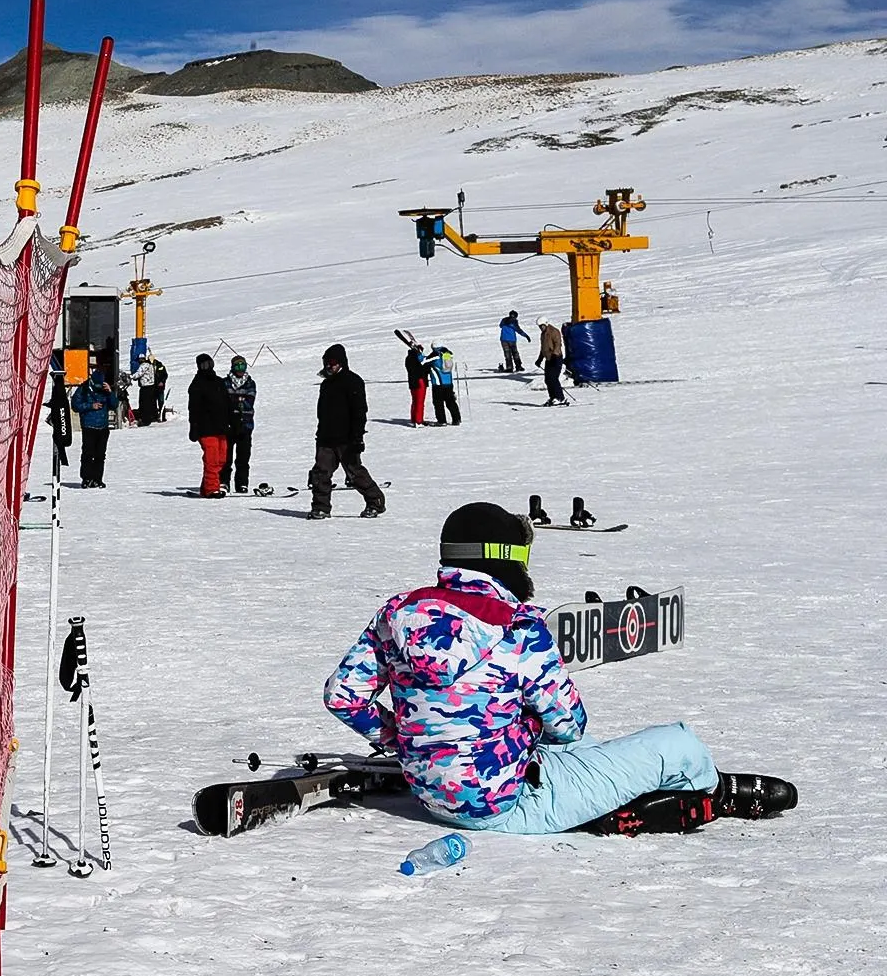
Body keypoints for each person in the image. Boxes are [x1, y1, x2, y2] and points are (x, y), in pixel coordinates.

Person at [324, 501, 796, 835]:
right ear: (503, 558)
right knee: (678, 746)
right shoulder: (516, 627)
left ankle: (610, 796)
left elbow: (343, 696)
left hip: (432, 797)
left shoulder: (397, 612)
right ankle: (714, 791)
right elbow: (568, 725)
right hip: (507, 804)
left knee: (588, 751)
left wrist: (408, 740)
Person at [307, 343, 385, 519]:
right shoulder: (326, 384)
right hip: (326, 438)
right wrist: (320, 433)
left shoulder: (353, 381)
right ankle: (321, 507)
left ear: (341, 362)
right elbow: (322, 412)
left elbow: (360, 411)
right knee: (320, 473)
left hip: (347, 438)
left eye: (332, 362)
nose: (329, 366)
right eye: (326, 363)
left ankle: (375, 501)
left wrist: (357, 436)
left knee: (354, 473)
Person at [184, 354, 230, 497]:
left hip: (221, 427)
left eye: (209, 364)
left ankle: (206, 487)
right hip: (205, 427)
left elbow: (227, 404)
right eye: (203, 365)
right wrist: (193, 427)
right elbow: (193, 408)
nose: (207, 367)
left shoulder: (219, 382)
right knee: (212, 458)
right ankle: (211, 488)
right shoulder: (197, 384)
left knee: (222, 458)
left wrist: (232, 422)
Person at [71, 367, 116, 488]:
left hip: (103, 428)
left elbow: (114, 405)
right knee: (87, 454)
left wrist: (110, 392)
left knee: (100, 455)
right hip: (89, 427)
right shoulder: (83, 389)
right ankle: (86, 478)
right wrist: (91, 406)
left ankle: (97, 479)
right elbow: (75, 405)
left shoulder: (105, 390)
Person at [219, 355, 257, 494]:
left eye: (243, 366)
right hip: (228, 425)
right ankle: (224, 481)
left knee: (243, 457)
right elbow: (223, 402)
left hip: (245, 425)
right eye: (237, 366)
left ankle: (242, 483)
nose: (240, 369)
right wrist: (238, 401)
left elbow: (249, 402)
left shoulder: (250, 383)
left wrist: (234, 402)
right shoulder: (225, 383)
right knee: (225, 457)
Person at [424, 343, 461, 426]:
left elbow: (424, 361)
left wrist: (419, 354)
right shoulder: (447, 354)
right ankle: (457, 419)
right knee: (451, 402)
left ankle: (442, 421)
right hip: (449, 383)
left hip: (438, 384)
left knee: (438, 403)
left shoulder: (435, 354)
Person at [535, 320, 570, 406]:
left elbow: (558, 344)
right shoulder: (543, 334)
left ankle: (560, 398)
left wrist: (555, 355)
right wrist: (540, 359)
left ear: (546, 324)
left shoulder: (554, 331)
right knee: (548, 379)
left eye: (542, 326)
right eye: (539, 326)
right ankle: (553, 397)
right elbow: (543, 348)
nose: (541, 328)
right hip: (548, 359)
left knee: (553, 378)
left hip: (556, 358)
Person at [404, 339, 428, 426]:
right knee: (420, 402)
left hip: (412, 381)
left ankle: (414, 418)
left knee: (415, 401)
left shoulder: (408, 358)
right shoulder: (417, 358)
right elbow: (424, 368)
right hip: (420, 381)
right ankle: (418, 421)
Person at [134, 355, 160, 426]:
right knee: (151, 402)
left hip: (146, 387)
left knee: (144, 404)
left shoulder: (144, 365)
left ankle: (145, 420)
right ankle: (153, 416)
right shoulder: (150, 365)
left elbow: (138, 374)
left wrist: (130, 377)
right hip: (151, 386)